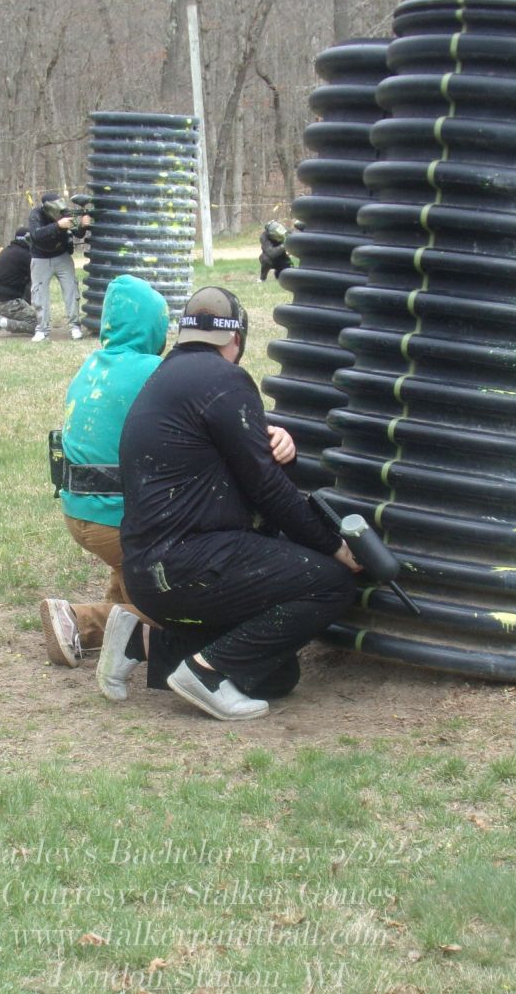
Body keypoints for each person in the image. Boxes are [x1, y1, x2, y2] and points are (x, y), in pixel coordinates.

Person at [98, 286, 361, 720]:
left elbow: (223, 465)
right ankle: (207, 674)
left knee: (277, 675)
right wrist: (332, 545)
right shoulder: (226, 380)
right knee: (331, 583)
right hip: (189, 565)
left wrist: (277, 445)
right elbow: (268, 490)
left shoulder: (165, 379)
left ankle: (139, 642)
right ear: (237, 338)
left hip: (150, 570)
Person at [38, 274, 169, 668]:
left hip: (78, 512)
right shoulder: (154, 372)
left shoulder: (91, 365)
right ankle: (78, 621)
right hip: (117, 522)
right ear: (153, 327)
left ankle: (112, 608)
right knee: (180, 610)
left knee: (129, 568)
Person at [27, 191, 89, 343]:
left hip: (62, 256)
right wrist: (57, 225)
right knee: (39, 293)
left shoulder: (64, 213)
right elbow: (36, 235)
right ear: (48, 208)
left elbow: (78, 233)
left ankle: (75, 326)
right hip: (40, 258)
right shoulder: (36, 215)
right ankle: (42, 329)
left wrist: (83, 225)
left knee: (71, 290)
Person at [0, 228, 37, 336]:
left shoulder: (8, 250)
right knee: (38, 325)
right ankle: (3, 323)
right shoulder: (25, 255)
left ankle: (5, 315)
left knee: (29, 284)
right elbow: (38, 276)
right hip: (6, 301)